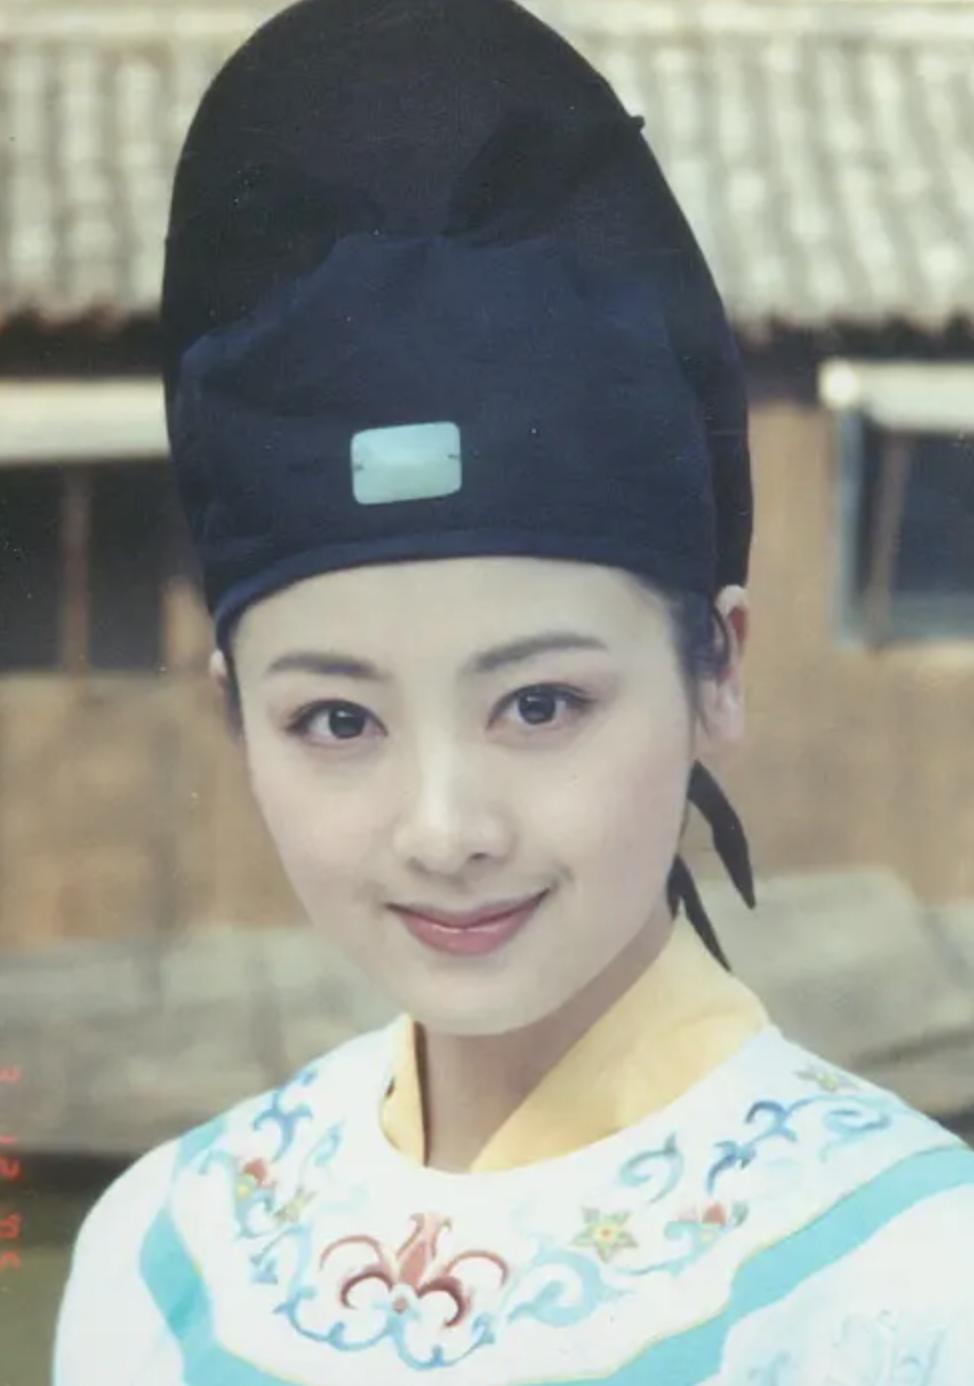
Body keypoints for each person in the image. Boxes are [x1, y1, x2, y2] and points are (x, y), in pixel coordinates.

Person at [53, 0, 974, 1381]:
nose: (446, 829)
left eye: (539, 704)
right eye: (338, 719)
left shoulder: (913, 1287)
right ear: (235, 711)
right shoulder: (156, 1258)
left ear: (718, 665)